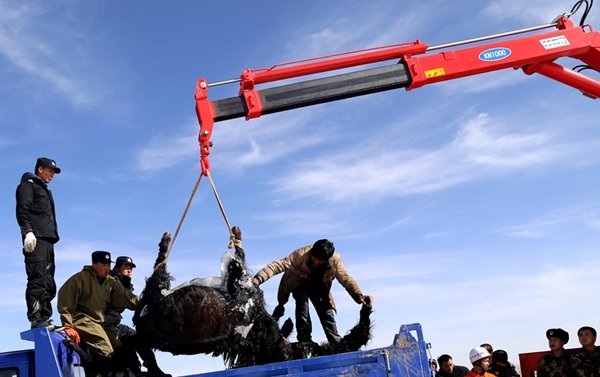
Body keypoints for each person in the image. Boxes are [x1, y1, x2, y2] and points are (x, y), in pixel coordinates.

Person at [252, 239, 373, 343]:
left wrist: (358, 295)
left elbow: (346, 278)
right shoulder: (300, 255)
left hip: (319, 286)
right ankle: (305, 339)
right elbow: (277, 266)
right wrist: (258, 279)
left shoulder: (335, 261)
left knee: (327, 312)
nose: (316, 262)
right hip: (298, 283)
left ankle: (335, 340)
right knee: (302, 304)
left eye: (321, 260)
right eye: (315, 258)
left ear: (327, 259)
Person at [57, 250, 138, 375]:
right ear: (94, 264)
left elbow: (126, 296)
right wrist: (68, 325)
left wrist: (145, 303)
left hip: (101, 322)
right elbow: (65, 300)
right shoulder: (80, 278)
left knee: (119, 346)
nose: (107, 268)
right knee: (106, 348)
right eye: (104, 264)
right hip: (82, 319)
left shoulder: (110, 281)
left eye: (109, 265)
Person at [105, 256, 170, 377]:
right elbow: (130, 301)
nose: (129, 270)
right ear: (118, 268)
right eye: (126, 267)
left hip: (115, 324)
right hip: (106, 325)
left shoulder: (123, 283)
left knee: (139, 339)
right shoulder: (112, 282)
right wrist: (149, 301)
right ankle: (139, 372)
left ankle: (153, 369)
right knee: (128, 351)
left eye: (131, 268)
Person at [16, 157, 61, 329]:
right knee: (38, 279)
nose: (52, 175)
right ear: (40, 169)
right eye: (50, 171)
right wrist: (28, 232)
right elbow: (22, 210)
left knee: (48, 281)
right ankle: (36, 319)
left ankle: (45, 318)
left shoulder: (45, 190)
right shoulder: (28, 185)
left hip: (47, 240)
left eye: (53, 172)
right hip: (35, 240)